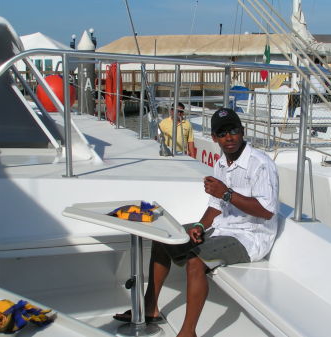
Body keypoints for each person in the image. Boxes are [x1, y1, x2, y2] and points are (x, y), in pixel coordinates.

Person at [114, 107, 279, 337]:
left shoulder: (260, 164)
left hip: (251, 237)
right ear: (214, 138)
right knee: (166, 237)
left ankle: (188, 332)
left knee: (195, 259)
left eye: (233, 130)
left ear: (242, 131)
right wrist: (200, 226)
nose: (228, 137)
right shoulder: (221, 164)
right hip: (223, 229)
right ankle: (150, 307)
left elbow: (266, 212)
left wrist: (227, 193)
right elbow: (215, 206)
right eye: (222, 133)